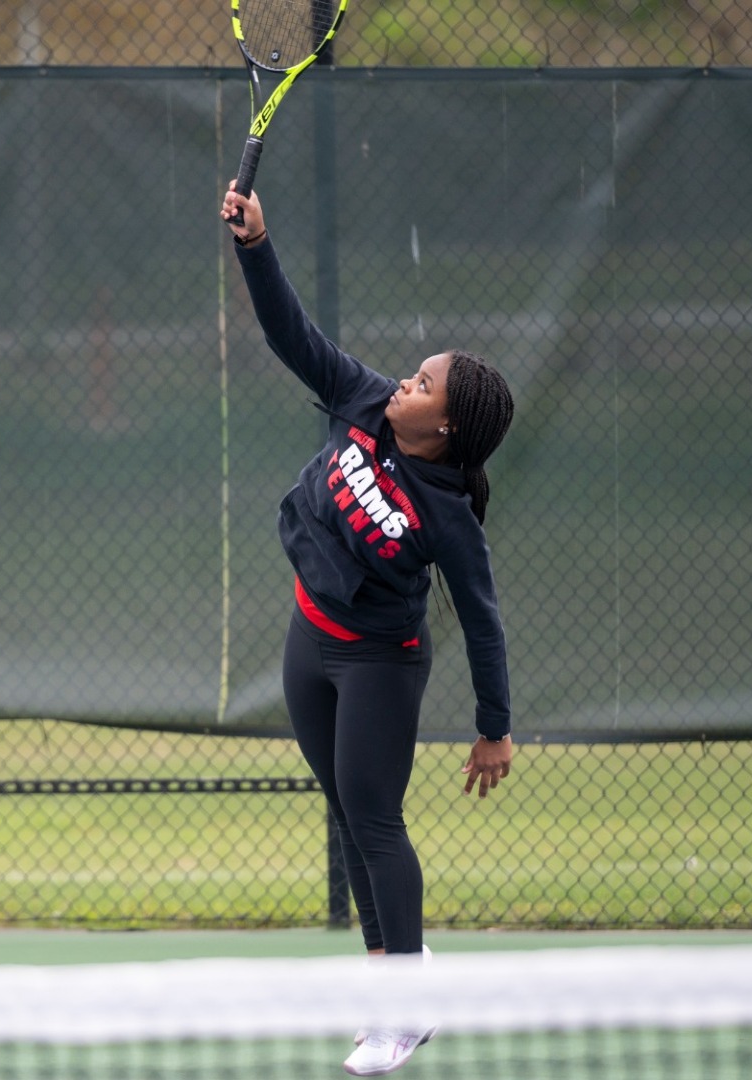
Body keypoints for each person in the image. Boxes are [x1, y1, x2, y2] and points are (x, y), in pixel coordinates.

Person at [221, 182, 517, 1077]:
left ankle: (400, 1010)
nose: (404, 381)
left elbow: (482, 615)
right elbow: (290, 335)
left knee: (376, 822)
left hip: (380, 665)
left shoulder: (448, 512)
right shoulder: (362, 402)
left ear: (447, 423)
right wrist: (256, 244)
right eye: (412, 372)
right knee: (348, 814)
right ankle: (399, 983)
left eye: (423, 383)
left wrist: (494, 727)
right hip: (307, 641)